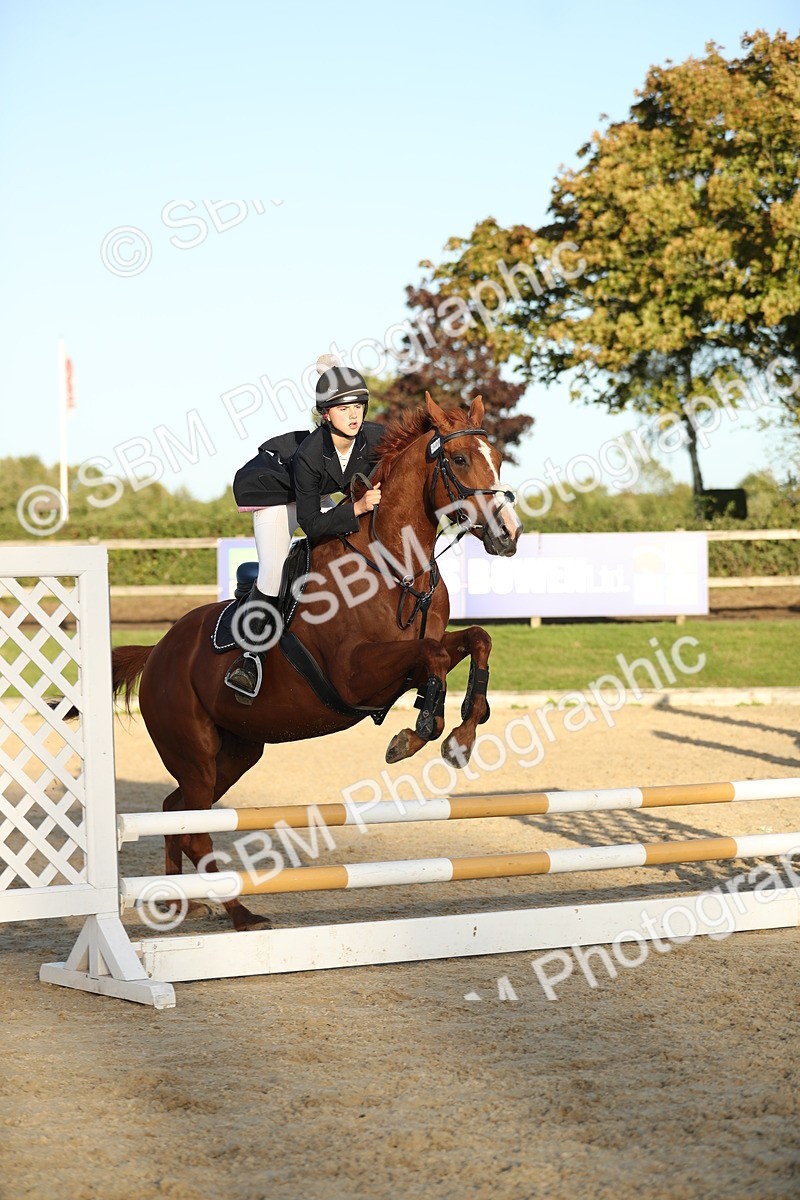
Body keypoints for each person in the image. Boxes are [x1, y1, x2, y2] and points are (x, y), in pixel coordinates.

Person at [225, 355, 384, 700]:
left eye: (358, 406)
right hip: (277, 496)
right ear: (326, 415)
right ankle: (250, 657)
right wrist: (357, 507)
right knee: (274, 570)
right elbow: (311, 524)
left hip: (314, 492)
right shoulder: (311, 453)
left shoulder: (373, 437)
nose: (354, 415)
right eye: (343, 409)